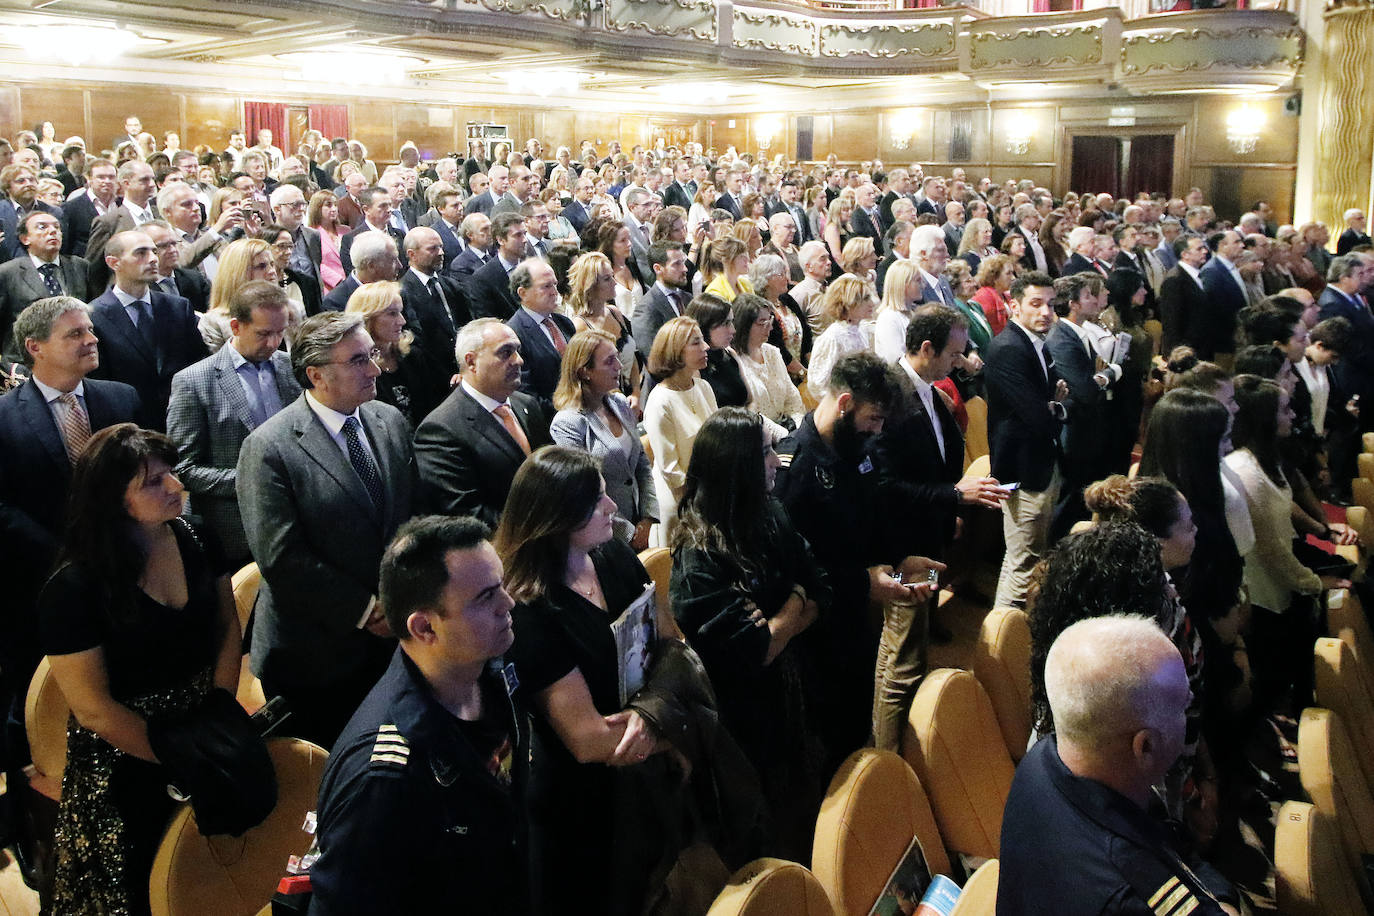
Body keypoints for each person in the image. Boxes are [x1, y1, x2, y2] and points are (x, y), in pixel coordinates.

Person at [39, 424, 242, 916]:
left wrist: (220, 711)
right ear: (112, 499)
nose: (176, 485)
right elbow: (93, 709)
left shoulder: (198, 536)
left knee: (211, 879)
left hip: (202, 719)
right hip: (125, 752)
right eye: (153, 481)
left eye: (171, 472)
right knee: (138, 889)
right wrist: (180, 757)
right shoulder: (73, 588)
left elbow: (227, 628)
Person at [305, 515, 527, 915]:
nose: (507, 604)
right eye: (486, 597)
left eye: (502, 586)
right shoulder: (382, 779)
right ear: (425, 628)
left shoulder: (490, 672)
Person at [494, 446, 681, 916]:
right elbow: (589, 741)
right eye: (597, 500)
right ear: (556, 518)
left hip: (640, 770)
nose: (613, 506)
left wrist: (655, 719)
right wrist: (676, 727)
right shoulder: (530, 609)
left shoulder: (613, 554)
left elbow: (670, 640)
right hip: (580, 807)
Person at [236, 311, 418, 748]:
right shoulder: (269, 448)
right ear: (316, 375)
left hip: (394, 636)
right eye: (358, 360)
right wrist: (365, 610)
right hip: (316, 656)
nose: (375, 370)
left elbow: (412, 513)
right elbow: (282, 557)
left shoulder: (388, 420)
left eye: (371, 355)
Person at [670, 407, 829, 859]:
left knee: (808, 814)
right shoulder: (700, 558)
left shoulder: (769, 512)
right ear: (736, 466)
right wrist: (798, 598)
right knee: (765, 839)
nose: (777, 461)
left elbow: (821, 585)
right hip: (741, 726)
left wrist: (783, 616)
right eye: (764, 453)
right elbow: (759, 650)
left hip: (792, 699)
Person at [999, 616, 1233, 916]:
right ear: (1145, 746)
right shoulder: (1132, 894)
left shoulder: (1044, 758)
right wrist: (1226, 903)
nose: (1189, 709)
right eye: (1182, 706)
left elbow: (1170, 843)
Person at [774, 351, 933, 768]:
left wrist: (900, 558)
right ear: (845, 403)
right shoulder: (795, 469)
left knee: (858, 715)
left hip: (855, 618)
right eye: (873, 419)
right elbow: (793, 572)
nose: (878, 430)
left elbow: (873, 515)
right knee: (829, 742)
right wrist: (863, 583)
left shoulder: (857, 448)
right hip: (816, 635)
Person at [872, 305, 1004, 748]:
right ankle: (891, 755)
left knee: (908, 641)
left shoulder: (927, 387)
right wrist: (954, 496)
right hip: (904, 546)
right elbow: (887, 487)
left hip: (928, 535)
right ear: (926, 348)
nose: (960, 362)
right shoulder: (891, 397)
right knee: (904, 657)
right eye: (953, 354)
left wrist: (951, 509)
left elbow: (937, 461)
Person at [167, 281, 300, 567]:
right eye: (263, 334)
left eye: (280, 332)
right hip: (234, 534)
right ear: (236, 327)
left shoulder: (290, 367)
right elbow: (183, 469)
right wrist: (253, 479)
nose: (273, 343)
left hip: (294, 526)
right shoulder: (193, 382)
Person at [1223, 374, 1323, 714]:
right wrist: (1314, 583)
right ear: (1263, 419)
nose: (1292, 415)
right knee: (1273, 688)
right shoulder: (1246, 470)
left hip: (1278, 587)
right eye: (1284, 409)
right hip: (1265, 598)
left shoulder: (1263, 460)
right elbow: (1272, 551)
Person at [415, 317, 550, 526]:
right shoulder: (440, 430)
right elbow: (466, 514)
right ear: (471, 362)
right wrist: (539, 529)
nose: (519, 360)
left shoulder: (527, 404)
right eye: (506, 352)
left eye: (517, 350)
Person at [986, 271, 1069, 610]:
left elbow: (1054, 397)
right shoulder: (1009, 348)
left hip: (1040, 463)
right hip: (1023, 471)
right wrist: (1054, 407)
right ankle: (1004, 635)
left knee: (1020, 558)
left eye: (1050, 304)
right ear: (1015, 305)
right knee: (1025, 565)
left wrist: (1051, 405)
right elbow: (1039, 417)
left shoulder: (1035, 342)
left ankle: (1002, 629)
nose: (1046, 312)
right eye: (1036, 304)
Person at [88, 229, 207, 431]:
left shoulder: (178, 307)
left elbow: (199, 362)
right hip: (129, 425)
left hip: (184, 418)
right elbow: (99, 383)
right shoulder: (94, 315)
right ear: (113, 262)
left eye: (154, 251)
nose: (153, 259)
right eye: (141, 253)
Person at [550, 329, 657, 548]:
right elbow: (584, 491)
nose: (619, 366)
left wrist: (649, 517)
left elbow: (642, 464)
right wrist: (629, 533)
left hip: (641, 522)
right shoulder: (568, 423)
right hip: (603, 535)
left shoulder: (620, 404)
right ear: (584, 371)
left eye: (617, 357)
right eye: (609, 361)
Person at [643, 315, 717, 548]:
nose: (706, 347)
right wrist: (699, 505)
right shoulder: (660, 401)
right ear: (675, 351)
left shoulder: (703, 387)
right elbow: (671, 470)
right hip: (680, 502)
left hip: (708, 490)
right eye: (696, 342)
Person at [346, 280, 444, 428]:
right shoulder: (357, 369)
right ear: (368, 318)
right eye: (392, 314)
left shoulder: (413, 356)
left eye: (400, 312)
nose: (402, 321)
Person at [568, 250, 642, 407]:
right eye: (607, 279)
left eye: (612, 276)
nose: (614, 283)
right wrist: (621, 401)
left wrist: (636, 393)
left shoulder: (615, 313)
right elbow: (589, 376)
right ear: (590, 286)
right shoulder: (580, 326)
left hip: (631, 398)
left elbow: (632, 359)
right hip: (605, 403)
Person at [732, 293, 805, 432]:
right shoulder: (734, 360)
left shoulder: (772, 352)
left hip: (788, 430)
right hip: (758, 434)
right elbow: (749, 415)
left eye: (770, 320)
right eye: (762, 322)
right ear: (744, 325)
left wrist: (798, 428)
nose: (770, 327)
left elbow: (792, 399)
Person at [197, 237, 280, 352]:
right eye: (261, 266)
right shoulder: (213, 323)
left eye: (272, 264)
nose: (272, 271)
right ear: (238, 274)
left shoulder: (288, 311)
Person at [807, 273, 874, 396]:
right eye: (865, 299)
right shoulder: (832, 338)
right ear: (848, 304)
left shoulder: (862, 330)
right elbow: (817, 385)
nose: (871, 303)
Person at [688, 294, 748, 409]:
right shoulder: (694, 368)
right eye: (726, 323)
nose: (733, 330)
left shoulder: (730, 354)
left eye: (732, 322)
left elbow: (750, 400)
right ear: (704, 326)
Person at [873, 259, 922, 364]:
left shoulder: (914, 313)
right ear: (904, 284)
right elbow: (894, 359)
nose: (922, 285)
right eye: (918, 281)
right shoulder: (888, 318)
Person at [307, 189, 347, 294]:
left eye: (335, 205)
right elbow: (315, 263)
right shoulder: (310, 234)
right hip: (329, 288)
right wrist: (338, 280)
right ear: (317, 208)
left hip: (351, 284)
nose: (333, 209)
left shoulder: (346, 230)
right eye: (328, 205)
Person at [971, 253, 1016, 337]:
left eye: (1012, 273)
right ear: (994, 276)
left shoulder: (1007, 296)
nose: (1013, 278)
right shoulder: (984, 297)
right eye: (1008, 273)